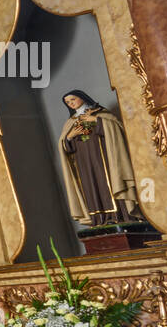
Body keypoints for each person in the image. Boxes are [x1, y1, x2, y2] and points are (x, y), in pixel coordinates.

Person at [58, 90, 140, 227]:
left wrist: (96, 120)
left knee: (108, 183)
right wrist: (69, 137)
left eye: (73, 99)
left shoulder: (100, 113)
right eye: (67, 102)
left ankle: (119, 216)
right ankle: (99, 220)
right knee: (91, 187)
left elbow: (117, 129)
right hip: (83, 162)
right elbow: (65, 147)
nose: (71, 103)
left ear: (82, 98)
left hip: (104, 159)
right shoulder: (70, 122)